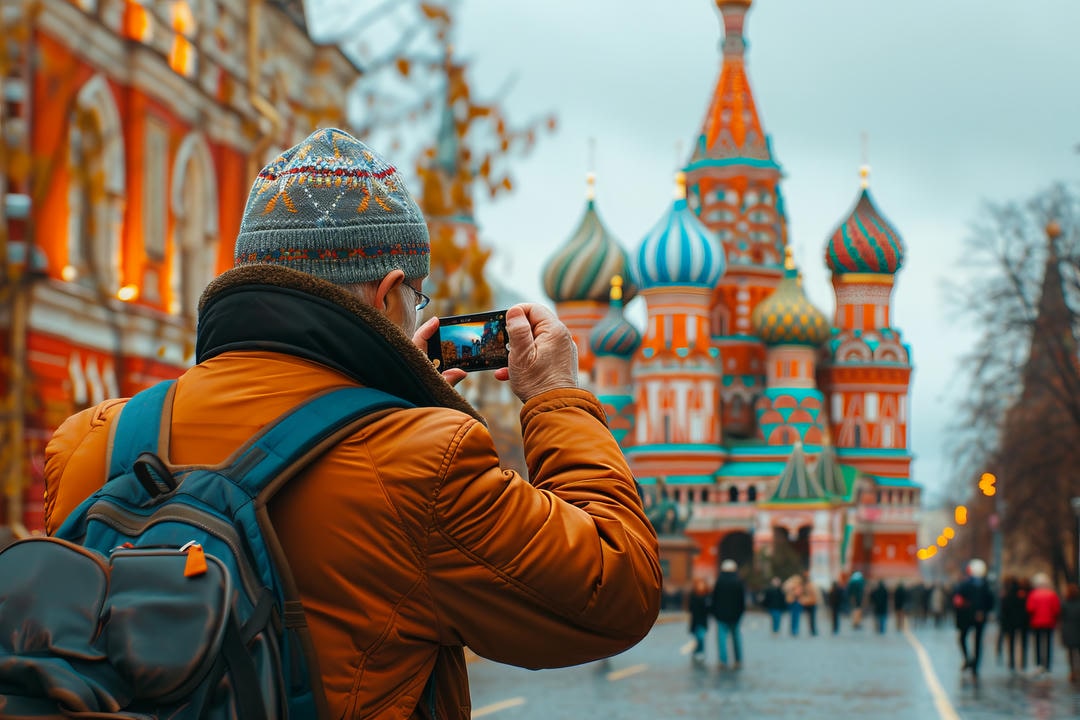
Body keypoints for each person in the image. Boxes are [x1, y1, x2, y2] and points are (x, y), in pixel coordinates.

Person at [41, 129, 663, 719]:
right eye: (416, 299)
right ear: (389, 295)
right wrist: (554, 396)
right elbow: (617, 589)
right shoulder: (424, 461)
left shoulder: (90, 441)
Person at [954, 558, 995, 681]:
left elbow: (958, 599)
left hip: (967, 617)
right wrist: (983, 612)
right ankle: (975, 666)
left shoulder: (965, 584)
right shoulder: (986, 585)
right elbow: (990, 601)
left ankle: (969, 660)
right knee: (978, 642)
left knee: (963, 638)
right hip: (980, 617)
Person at [712, 559, 747, 669]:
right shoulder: (738, 582)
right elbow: (742, 600)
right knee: (736, 638)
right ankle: (738, 660)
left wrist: (715, 613)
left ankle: (723, 660)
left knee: (721, 639)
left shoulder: (719, 582)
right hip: (735, 615)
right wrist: (740, 613)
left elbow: (714, 599)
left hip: (721, 615)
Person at [1026, 572, 1061, 676]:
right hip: (1049, 622)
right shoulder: (1052, 594)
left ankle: (1039, 664)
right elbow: (1056, 609)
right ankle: (1048, 665)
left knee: (1037, 643)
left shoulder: (1033, 594)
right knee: (1048, 643)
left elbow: (1030, 608)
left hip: (1036, 622)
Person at [998, 575, 1030, 673]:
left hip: (1011, 622)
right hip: (1023, 621)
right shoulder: (1025, 594)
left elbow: (1004, 609)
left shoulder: (1007, 594)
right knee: (1024, 642)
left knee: (1011, 642)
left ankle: (1012, 662)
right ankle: (1023, 662)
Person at [688, 577, 712, 664]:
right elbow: (690, 608)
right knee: (697, 637)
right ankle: (696, 652)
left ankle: (700, 652)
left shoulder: (707, 597)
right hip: (695, 621)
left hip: (703, 621)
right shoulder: (693, 596)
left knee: (701, 637)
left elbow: (709, 609)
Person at [1061, 584, 1080, 685]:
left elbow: (1061, 616)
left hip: (1068, 630)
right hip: (1078, 629)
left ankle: (1072, 671)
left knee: (1071, 653)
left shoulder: (1065, 604)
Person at [799, 572, 820, 636]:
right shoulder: (807, 586)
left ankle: (813, 630)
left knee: (812, 618)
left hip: (812, 603)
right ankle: (812, 630)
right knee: (810, 618)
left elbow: (814, 595)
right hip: (809, 603)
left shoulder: (810, 586)